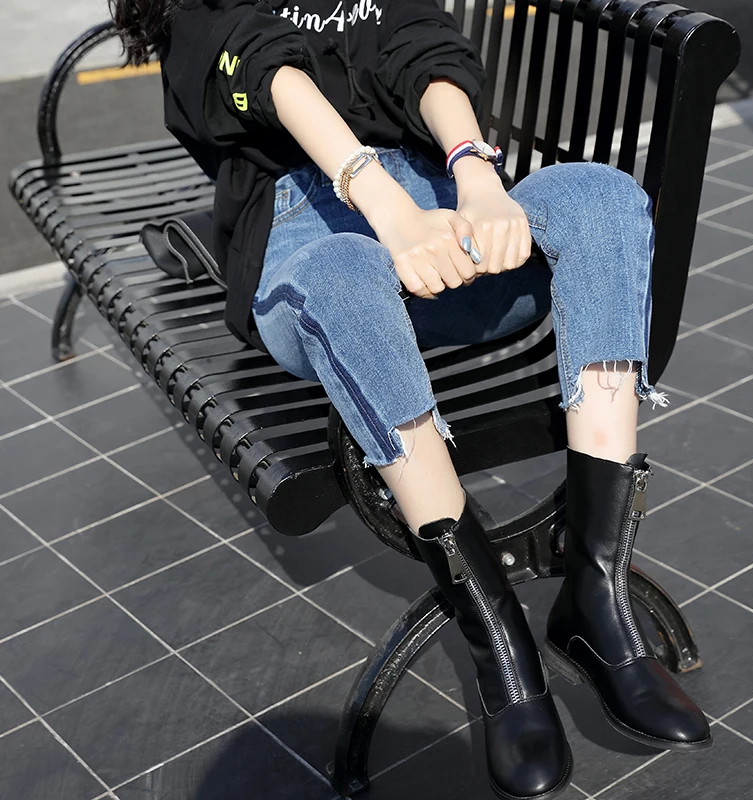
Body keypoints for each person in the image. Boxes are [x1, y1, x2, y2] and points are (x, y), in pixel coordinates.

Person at [110, 2, 712, 798]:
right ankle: (498, 638)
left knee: (601, 198)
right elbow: (269, 69)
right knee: (346, 278)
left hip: (441, 212)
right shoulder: (199, 13)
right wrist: (387, 209)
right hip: (306, 233)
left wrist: (475, 174)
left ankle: (597, 598)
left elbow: (420, 46)